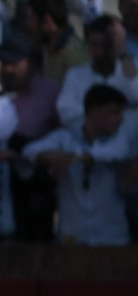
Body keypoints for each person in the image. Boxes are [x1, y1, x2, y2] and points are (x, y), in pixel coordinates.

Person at [22, 84, 134, 245]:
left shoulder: (120, 140)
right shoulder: (64, 138)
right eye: (114, 112)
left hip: (112, 238)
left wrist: (70, 159)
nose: (121, 119)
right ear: (94, 111)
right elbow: (29, 151)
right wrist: (50, 156)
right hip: (72, 238)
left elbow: (114, 153)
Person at [56, 15, 138, 134]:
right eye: (95, 45)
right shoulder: (75, 75)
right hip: (86, 142)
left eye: (106, 45)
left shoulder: (132, 67)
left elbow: (136, 94)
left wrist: (123, 53)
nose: (99, 52)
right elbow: (67, 114)